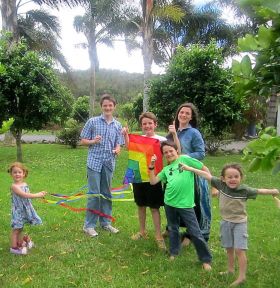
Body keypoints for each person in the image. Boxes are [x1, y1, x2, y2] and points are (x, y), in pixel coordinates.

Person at [181, 162, 279, 286]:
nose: (233, 179)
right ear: (223, 178)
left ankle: (242, 277)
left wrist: (273, 191)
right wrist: (189, 168)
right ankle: (230, 270)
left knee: (239, 250)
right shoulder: (220, 185)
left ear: (241, 178)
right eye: (230, 177)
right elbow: (205, 174)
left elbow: (260, 191)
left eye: (236, 176)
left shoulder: (244, 190)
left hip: (239, 224)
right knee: (229, 248)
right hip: (225, 222)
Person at [149, 141, 212, 269]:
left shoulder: (185, 159)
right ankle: (174, 252)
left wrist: (214, 185)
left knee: (195, 231)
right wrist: (151, 167)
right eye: (165, 152)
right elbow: (153, 181)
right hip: (169, 203)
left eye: (171, 150)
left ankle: (205, 260)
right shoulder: (166, 169)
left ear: (177, 150)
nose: (168, 153)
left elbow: (204, 169)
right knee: (173, 229)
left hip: (186, 204)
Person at [123, 112, 172, 250]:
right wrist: (125, 135)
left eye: (150, 123)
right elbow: (129, 148)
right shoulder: (138, 139)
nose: (147, 126)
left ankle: (158, 235)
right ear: (141, 126)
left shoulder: (161, 140)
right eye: (144, 123)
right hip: (138, 178)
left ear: (155, 124)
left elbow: (171, 154)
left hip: (154, 179)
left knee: (154, 208)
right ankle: (142, 231)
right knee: (141, 205)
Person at [166, 102, 211, 245]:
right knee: (174, 202)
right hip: (175, 174)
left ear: (191, 117)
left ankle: (191, 235)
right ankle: (171, 228)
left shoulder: (194, 133)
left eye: (187, 113)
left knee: (193, 205)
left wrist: (184, 158)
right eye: (182, 112)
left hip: (191, 175)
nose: (184, 115)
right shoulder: (173, 132)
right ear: (178, 114)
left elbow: (201, 153)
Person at [80, 94, 124, 237]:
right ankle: (89, 226)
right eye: (105, 105)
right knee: (94, 195)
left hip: (109, 163)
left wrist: (117, 149)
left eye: (110, 105)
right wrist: (93, 141)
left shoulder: (117, 125)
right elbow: (83, 140)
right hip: (94, 163)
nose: (107, 108)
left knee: (106, 194)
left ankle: (105, 223)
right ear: (101, 106)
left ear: (114, 107)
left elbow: (119, 144)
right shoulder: (92, 122)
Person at [8, 162, 47, 255]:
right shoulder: (14, 186)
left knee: (20, 228)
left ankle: (20, 243)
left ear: (24, 173)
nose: (17, 174)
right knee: (16, 229)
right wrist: (37, 195)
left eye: (19, 172)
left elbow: (27, 195)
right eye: (15, 172)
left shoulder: (24, 184)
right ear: (11, 174)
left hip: (24, 209)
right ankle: (14, 248)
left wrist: (40, 194)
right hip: (18, 211)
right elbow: (25, 195)